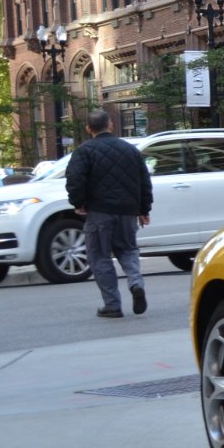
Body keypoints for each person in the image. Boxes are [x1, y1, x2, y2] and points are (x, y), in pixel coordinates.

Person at [66, 110, 153, 319]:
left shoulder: (84, 151)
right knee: (128, 250)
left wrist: (78, 203)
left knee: (99, 257)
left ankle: (112, 305)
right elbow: (144, 181)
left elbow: (74, 180)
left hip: (99, 212)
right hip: (127, 213)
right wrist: (144, 209)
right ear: (111, 125)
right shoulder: (130, 150)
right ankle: (135, 283)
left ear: (88, 129)